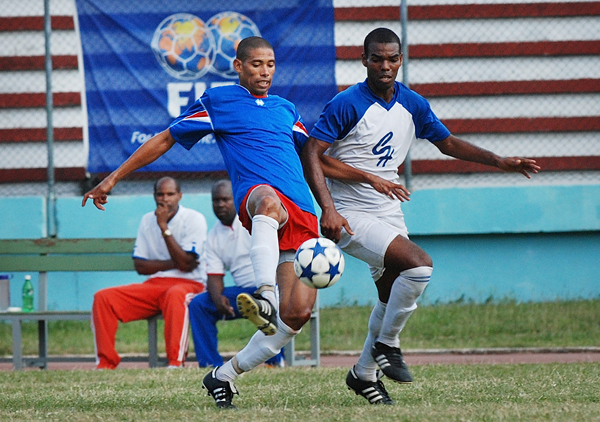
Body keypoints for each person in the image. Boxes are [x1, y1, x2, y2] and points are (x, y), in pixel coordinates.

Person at [302, 27, 541, 405]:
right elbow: (312, 153)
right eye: (377, 58)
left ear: (401, 59)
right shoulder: (346, 103)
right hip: (350, 214)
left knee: (389, 295)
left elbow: (446, 143)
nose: (385, 66)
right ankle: (388, 346)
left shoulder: (412, 103)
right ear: (363, 60)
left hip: (389, 211)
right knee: (419, 266)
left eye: (392, 58)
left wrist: (500, 161)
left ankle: (363, 374)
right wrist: (328, 209)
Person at [82, 37, 319, 408]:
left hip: (302, 211)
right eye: (256, 64)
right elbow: (165, 139)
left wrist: (343, 199)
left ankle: (223, 376)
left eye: (270, 64)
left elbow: (314, 159)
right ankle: (265, 295)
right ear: (239, 66)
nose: (265, 71)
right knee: (268, 205)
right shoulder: (219, 100)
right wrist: (113, 177)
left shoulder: (286, 109)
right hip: (258, 196)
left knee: (297, 316)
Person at [91, 177, 207, 369]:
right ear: (154, 196)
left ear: (180, 196)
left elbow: (187, 266)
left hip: (190, 284)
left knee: (175, 294)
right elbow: (141, 266)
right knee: (103, 298)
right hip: (154, 285)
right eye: (160, 194)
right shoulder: (147, 220)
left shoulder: (194, 218)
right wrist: (175, 262)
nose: (165, 199)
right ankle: (105, 363)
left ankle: (175, 363)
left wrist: (164, 228)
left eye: (170, 194)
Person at [188, 180, 284, 368]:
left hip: (270, 288)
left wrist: (270, 289)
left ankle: (273, 362)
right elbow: (214, 275)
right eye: (216, 200)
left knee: (274, 300)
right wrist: (217, 299)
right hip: (242, 296)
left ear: (235, 199)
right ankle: (210, 364)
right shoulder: (214, 235)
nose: (220, 204)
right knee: (199, 305)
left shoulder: (252, 220)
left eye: (225, 199)